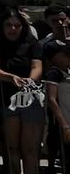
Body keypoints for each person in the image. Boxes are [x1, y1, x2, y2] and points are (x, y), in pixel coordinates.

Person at [0, 5, 44, 174]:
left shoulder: (32, 42)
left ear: (23, 26)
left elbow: (37, 66)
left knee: (30, 149)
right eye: (8, 25)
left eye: (17, 25)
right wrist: (10, 77)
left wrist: (30, 81)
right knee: (12, 147)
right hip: (6, 99)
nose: (13, 29)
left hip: (31, 99)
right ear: (1, 25)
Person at [44, 40, 70, 168]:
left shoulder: (66, 71)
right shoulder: (54, 73)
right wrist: (64, 125)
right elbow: (51, 99)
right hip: (60, 122)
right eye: (65, 54)